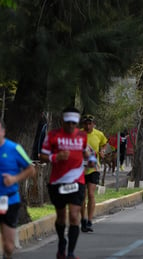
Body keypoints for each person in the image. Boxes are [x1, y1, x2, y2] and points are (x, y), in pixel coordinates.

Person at [40, 107, 90, 259]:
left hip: (77, 181)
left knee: (74, 216)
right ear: (62, 121)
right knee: (61, 217)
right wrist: (56, 157)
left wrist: (89, 158)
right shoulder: (53, 136)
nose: (71, 126)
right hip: (58, 182)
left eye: (73, 123)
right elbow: (42, 155)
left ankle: (71, 253)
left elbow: (86, 153)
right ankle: (62, 243)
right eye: (68, 123)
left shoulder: (82, 136)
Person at [0, 120, 35, 259]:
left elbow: (31, 169)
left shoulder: (14, 149)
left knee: (9, 246)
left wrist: (14, 179)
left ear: (3, 131)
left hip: (9, 200)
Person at [80, 114, 108, 233]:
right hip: (80, 169)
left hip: (94, 168)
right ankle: (83, 219)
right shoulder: (78, 134)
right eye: (85, 123)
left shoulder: (98, 134)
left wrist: (102, 151)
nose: (88, 126)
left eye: (90, 123)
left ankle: (90, 220)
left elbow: (104, 143)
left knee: (91, 194)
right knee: (82, 196)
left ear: (93, 124)